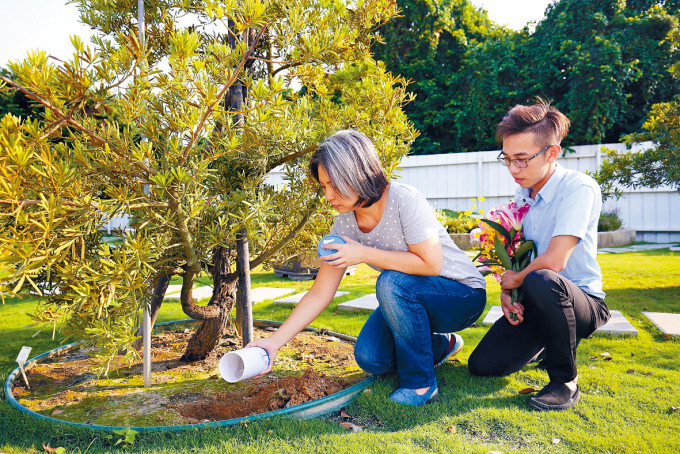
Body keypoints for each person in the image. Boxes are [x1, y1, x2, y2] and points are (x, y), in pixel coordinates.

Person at [249, 129, 486, 406]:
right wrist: (274, 343)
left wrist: (362, 253)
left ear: (358, 173)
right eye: (323, 186)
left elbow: (431, 264)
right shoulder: (346, 223)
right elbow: (320, 293)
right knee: (371, 357)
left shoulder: (404, 199)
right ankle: (441, 344)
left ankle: (420, 384)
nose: (327, 195)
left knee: (390, 282)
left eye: (334, 185)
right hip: (412, 300)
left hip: (461, 295)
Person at [467, 99, 611, 411]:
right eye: (506, 159)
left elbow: (556, 260)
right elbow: (517, 253)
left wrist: (516, 279)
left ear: (551, 153)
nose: (513, 169)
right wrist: (509, 292)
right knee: (483, 365)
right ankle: (547, 341)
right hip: (538, 301)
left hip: (581, 302)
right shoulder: (523, 193)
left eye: (521, 159)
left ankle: (564, 381)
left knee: (544, 279)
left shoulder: (578, 188)